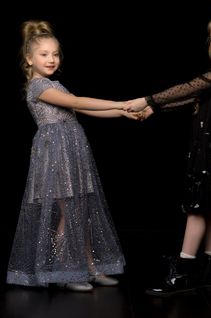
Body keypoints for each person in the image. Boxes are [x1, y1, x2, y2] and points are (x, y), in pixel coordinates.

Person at [124, 11, 211, 296]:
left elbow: (189, 87)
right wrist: (154, 109)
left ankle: (184, 271)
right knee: (210, 207)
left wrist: (146, 99)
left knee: (198, 205)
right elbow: (193, 97)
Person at [6, 20, 138, 292]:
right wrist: (121, 103)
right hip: (56, 154)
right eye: (44, 54)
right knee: (70, 213)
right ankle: (67, 272)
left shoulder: (55, 84)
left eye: (55, 54)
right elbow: (78, 102)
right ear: (29, 58)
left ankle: (87, 267)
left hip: (72, 151)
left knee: (82, 211)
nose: (52, 59)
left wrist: (125, 112)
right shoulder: (38, 87)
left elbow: (86, 111)